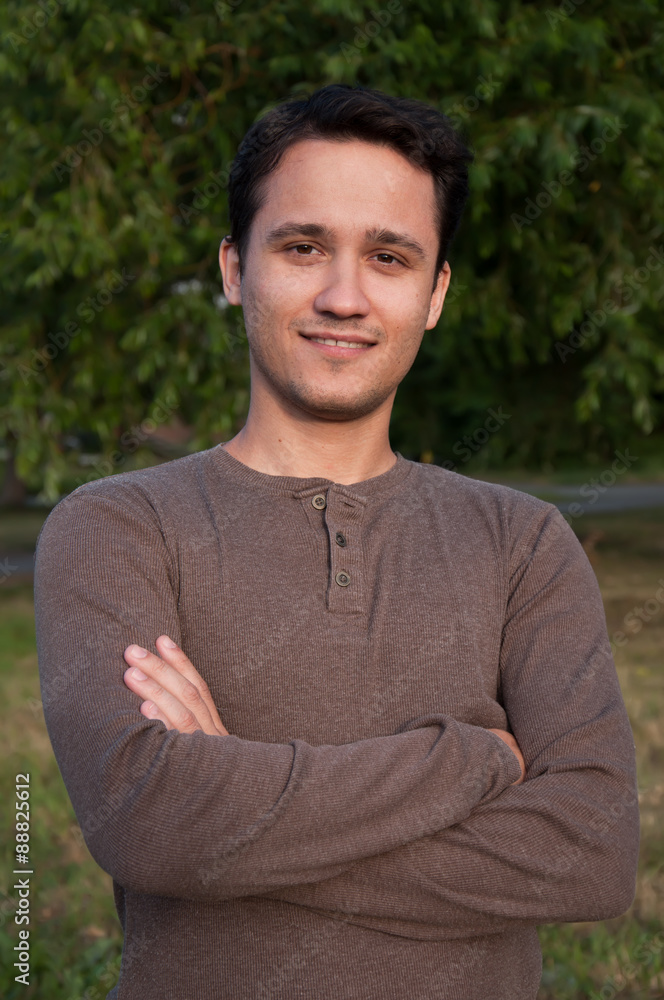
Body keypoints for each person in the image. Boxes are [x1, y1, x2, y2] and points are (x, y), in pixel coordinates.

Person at [34, 84, 639, 1000]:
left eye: (389, 258)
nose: (344, 297)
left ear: (435, 295)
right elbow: (148, 822)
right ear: (235, 268)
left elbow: (592, 852)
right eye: (303, 247)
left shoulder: (523, 544)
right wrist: (474, 762)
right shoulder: (117, 527)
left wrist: (230, 823)